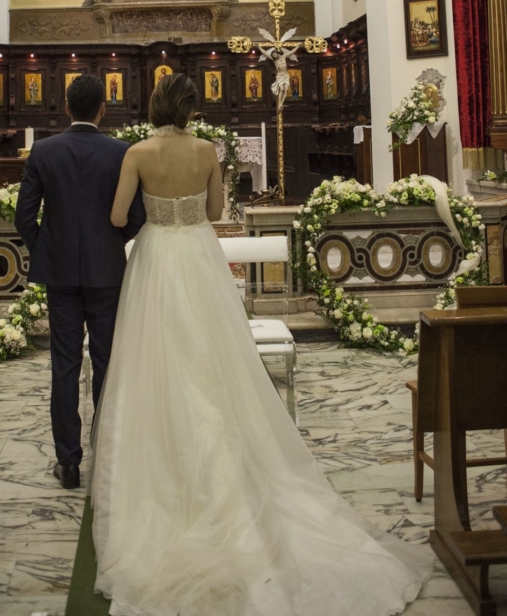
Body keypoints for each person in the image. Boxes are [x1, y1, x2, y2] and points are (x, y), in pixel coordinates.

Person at [90, 73, 431, 616]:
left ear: (154, 106)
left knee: (156, 359)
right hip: (198, 257)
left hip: (156, 258)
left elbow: (115, 216)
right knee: (211, 360)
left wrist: (152, 214)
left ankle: (165, 458)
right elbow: (216, 212)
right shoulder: (207, 150)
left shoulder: (137, 152)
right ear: (192, 108)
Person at [14, 74, 146, 490]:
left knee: (65, 365)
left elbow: (23, 217)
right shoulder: (121, 152)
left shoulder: (44, 150)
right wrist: (111, 243)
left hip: (60, 275)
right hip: (106, 273)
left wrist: (47, 247)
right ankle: (105, 455)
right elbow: (137, 217)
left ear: (66, 107)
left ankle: (68, 462)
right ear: (102, 109)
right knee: (107, 362)